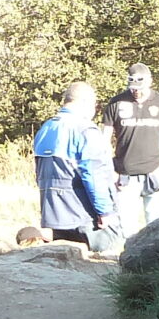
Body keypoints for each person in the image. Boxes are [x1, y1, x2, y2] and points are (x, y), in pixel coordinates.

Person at [32, 82, 115, 248]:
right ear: (85, 102)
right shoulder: (85, 130)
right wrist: (104, 211)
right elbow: (93, 174)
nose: (94, 110)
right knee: (106, 254)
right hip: (81, 215)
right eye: (94, 105)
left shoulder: (46, 128)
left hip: (52, 212)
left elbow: (39, 173)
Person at [106, 63, 159, 236]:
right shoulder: (116, 103)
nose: (136, 92)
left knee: (158, 227)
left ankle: (157, 261)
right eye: (133, 88)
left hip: (154, 173)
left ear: (150, 82)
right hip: (124, 175)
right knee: (125, 228)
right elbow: (104, 138)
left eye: (140, 88)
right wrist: (111, 171)